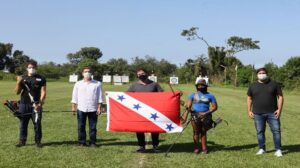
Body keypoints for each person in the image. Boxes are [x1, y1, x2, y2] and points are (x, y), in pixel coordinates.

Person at [247, 67, 284, 157]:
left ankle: (278, 150)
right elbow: (249, 98)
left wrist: (279, 110)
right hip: (257, 113)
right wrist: (249, 110)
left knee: (276, 131)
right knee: (260, 132)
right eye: (259, 73)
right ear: (257, 75)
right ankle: (262, 148)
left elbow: (280, 97)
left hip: (272, 113)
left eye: (263, 73)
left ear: (266, 74)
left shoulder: (274, 84)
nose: (261, 74)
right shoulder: (253, 85)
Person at [127, 68, 163, 153]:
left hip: (152, 111)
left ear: (147, 73)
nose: (141, 75)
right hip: (139, 111)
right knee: (139, 129)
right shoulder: (134, 85)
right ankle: (142, 146)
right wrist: (110, 95)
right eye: (139, 74)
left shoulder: (154, 84)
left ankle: (155, 146)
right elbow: (126, 96)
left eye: (142, 73)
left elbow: (163, 95)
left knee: (154, 129)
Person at [181, 79, 219, 154]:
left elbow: (215, 107)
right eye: (199, 85)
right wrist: (185, 117)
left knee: (203, 132)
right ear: (197, 86)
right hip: (195, 116)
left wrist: (206, 113)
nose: (200, 86)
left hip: (206, 116)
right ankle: (196, 148)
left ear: (205, 86)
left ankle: (204, 148)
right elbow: (188, 107)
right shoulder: (192, 95)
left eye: (202, 85)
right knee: (196, 132)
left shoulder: (210, 96)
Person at [15, 60, 46, 148]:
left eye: (33, 67)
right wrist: (18, 82)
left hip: (36, 105)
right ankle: (22, 141)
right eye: (29, 67)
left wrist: (40, 103)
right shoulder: (22, 78)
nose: (31, 69)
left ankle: (38, 141)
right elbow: (17, 92)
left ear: (36, 68)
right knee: (23, 123)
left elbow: (43, 92)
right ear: (27, 68)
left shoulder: (41, 78)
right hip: (24, 105)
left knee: (37, 123)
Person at [71, 67, 103, 147]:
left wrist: (99, 108)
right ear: (82, 73)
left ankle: (92, 142)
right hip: (81, 108)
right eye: (85, 72)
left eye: (89, 72)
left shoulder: (97, 84)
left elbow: (100, 97)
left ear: (91, 73)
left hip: (93, 108)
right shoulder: (78, 83)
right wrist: (73, 107)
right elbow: (74, 96)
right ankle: (82, 142)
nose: (87, 73)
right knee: (81, 126)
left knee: (93, 127)